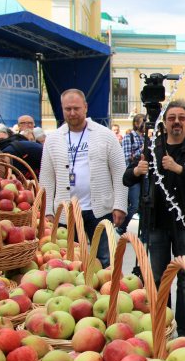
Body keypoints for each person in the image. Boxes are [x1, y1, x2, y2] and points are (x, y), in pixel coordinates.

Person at [123, 100, 185, 338]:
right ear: (164, 122)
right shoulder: (153, 147)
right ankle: (164, 326)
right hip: (157, 224)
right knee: (160, 278)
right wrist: (136, 171)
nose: (177, 122)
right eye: (172, 118)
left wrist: (179, 169)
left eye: (182, 118)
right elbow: (127, 178)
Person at [40, 88, 127, 268]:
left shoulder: (105, 135)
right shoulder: (53, 139)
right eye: (67, 109)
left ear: (85, 107)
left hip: (101, 209)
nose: (72, 113)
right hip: (65, 212)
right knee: (70, 262)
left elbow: (120, 172)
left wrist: (120, 204)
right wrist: (47, 210)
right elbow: (47, 177)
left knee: (105, 259)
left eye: (76, 108)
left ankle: (107, 293)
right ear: (62, 109)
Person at [118, 114, 146, 236]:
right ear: (136, 123)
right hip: (134, 176)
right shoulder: (129, 138)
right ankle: (121, 228)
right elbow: (127, 159)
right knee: (134, 205)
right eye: (143, 121)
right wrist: (143, 150)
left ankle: (144, 232)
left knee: (145, 205)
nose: (146, 124)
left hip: (145, 176)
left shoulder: (146, 138)